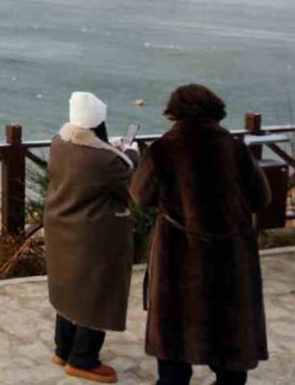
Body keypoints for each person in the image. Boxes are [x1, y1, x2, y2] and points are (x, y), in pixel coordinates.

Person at [131, 84, 272, 385]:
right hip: (231, 257)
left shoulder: (162, 150)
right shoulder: (236, 148)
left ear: (174, 113)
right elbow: (261, 198)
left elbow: (140, 195)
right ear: (215, 111)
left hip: (178, 258)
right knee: (231, 342)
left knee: (173, 344)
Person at [44, 92, 138, 384]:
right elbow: (130, 186)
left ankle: (63, 349)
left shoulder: (60, 143)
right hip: (96, 235)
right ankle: (83, 359)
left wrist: (112, 151)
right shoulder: (105, 159)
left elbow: (90, 167)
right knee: (98, 291)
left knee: (69, 288)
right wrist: (131, 152)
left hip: (62, 228)